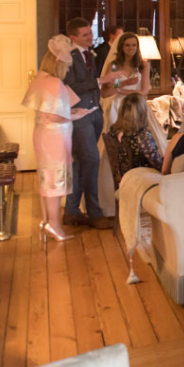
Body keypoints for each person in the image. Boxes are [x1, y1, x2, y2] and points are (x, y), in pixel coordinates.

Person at [22, 35, 100, 242]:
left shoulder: (40, 79)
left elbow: (45, 112)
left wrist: (71, 112)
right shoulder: (55, 83)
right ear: (59, 64)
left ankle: (46, 220)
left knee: (45, 178)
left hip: (41, 133)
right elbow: (56, 116)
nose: (67, 71)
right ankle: (54, 225)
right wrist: (77, 114)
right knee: (56, 180)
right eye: (66, 67)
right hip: (55, 136)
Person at [63, 17, 124, 229]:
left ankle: (71, 211)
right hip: (79, 116)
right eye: (85, 34)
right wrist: (101, 81)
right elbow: (70, 86)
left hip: (94, 112)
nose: (91, 37)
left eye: (90, 32)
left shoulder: (89, 53)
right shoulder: (68, 58)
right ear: (73, 38)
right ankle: (94, 213)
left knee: (81, 162)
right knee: (91, 160)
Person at [110, 93, 164, 172]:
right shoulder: (142, 136)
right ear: (142, 112)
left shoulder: (114, 131)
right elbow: (157, 164)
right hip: (143, 175)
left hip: (125, 174)